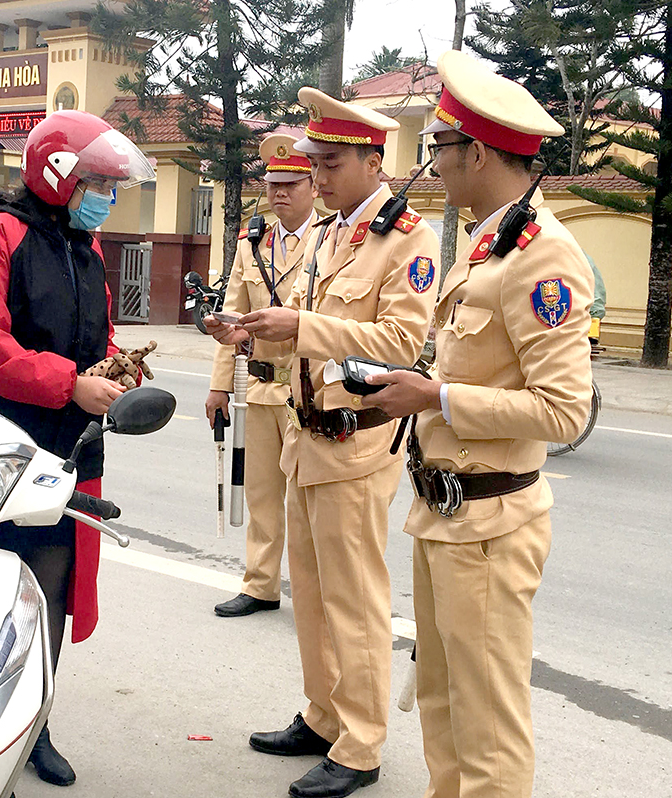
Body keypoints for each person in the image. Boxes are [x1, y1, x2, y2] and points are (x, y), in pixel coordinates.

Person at [360, 50, 594, 798]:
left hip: (490, 521)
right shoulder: (492, 242)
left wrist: (436, 400)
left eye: (440, 150)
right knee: (441, 704)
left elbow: (564, 410)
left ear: (480, 152)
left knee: (487, 724)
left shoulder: (542, 257)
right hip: (448, 512)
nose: (434, 167)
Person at [207, 88, 439, 798]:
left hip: (359, 440)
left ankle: (362, 743)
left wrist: (299, 326)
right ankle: (323, 712)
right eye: (316, 162)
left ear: (375, 162)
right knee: (308, 592)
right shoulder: (334, 234)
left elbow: (401, 342)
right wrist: (251, 333)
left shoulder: (408, 239)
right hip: (307, 436)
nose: (321, 176)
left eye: (331, 163)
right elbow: (307, 332)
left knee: (354, 598)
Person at [0, 110, 155, 787]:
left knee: (49, 590)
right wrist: (71, 384)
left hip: (68, 450)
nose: (107, 200)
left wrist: (117, 368)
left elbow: (99, 336)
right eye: (99, 184)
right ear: (59, 174)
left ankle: (32, 723)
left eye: (113, 188)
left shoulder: (84, 249)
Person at [206, 133, 320, 618]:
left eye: (291, 184)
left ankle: (316, 595)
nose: (279, 193)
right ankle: (260, 584)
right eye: (273, 183)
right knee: (260, 494)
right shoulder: (253, 243)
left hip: (307, 390)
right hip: (257, 387)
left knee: (308, 501)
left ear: (313, 185)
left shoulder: (332, 240)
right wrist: (218, 385)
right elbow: (233, 316)